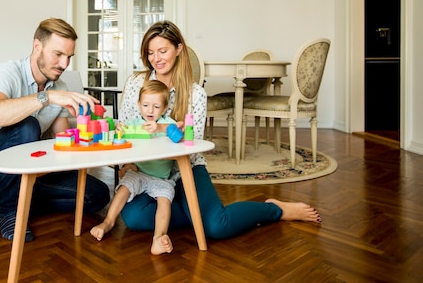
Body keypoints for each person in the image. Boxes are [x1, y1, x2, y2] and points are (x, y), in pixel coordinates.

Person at [118, 20, 322, 240]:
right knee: (134, 218)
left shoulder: (195, 93)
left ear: (178, 49)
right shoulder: (136, 84)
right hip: (146, 171)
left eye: (162, 51)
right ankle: (192, 210)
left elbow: (192, 146)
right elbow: (127, 129)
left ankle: (274, 210)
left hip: (183, 169)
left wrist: (168, 131)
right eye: (150, 53)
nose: (156, 59)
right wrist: (128, 164)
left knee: (217, 226)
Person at [0, 18, 110, 242]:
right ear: (37, 47)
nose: (64, 64)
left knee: (95, 195)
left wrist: (87, 129)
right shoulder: (7, 72)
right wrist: (46, 98)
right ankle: (9, 212)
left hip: (27, 168)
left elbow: (61, 140)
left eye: (69, 57)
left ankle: (11, 201)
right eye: (58, 54)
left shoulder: (60, 86)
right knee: (27, 125)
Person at [90, 80, 176, 255]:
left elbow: (179, 131)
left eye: (156, 106)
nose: (150, 111)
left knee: (165, 200)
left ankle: (159, 237)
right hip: (139, 173)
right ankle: (108, 222)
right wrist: (119, 129)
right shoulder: (135, 123)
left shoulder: (168, 123)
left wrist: (160, 127)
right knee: (123, 188)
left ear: (165, 108)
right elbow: (121, 140)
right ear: (138, 105)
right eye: (145, 105)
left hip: (162, 178)